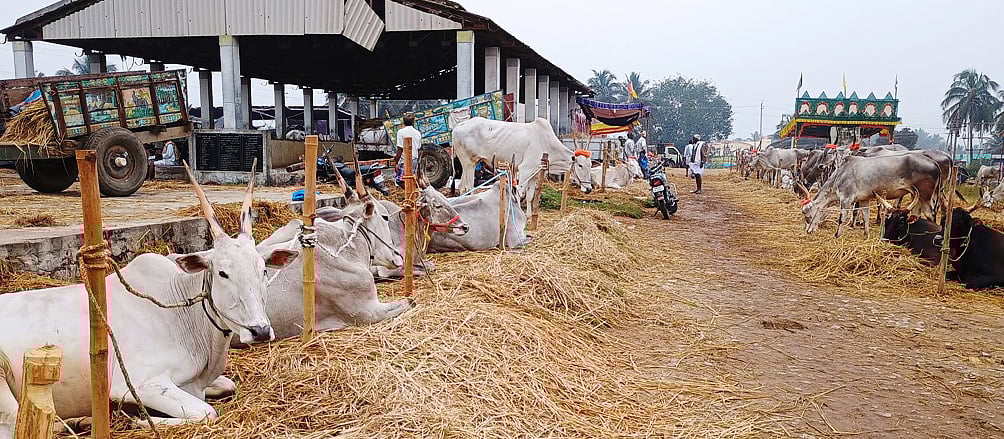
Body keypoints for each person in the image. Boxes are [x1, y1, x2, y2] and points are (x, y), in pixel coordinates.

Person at [394, 112, 423, 187]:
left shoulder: (400, 132)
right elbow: (419, 149)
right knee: (411, 178)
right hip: (414, 159)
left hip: (405, 160)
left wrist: (396, 162)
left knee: (399, 180)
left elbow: (400, 149)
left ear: (403, 121)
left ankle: (410, 193)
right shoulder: (418, 133)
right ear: (413, 121)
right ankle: (412, 192)